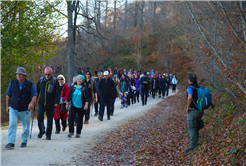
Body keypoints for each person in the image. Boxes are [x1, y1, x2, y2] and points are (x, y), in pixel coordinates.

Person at [5, 67, 38, 148]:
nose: (18, 75)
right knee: (12, 124)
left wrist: (31, 103)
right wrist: (7, 106)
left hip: (25, 109)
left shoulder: (29, 84)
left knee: (26, 126)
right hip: (13, 108)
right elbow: (8, 95)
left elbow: (34, 95)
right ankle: (11, 143)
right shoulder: (12, 83)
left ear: (24, 75)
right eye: (17, 74)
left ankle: (24, 141)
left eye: (20, 74)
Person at [186, 73, 215, 152]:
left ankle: (193, 146)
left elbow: (190, 97)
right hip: (200, 111)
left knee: (192, 128)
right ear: (196, 80)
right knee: (195, 127)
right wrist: (211, 104)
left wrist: (188, 107)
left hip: (193, 111)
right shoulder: (200, 87)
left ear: (189, 80)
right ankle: (196, 142)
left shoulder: (190, 88)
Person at [37, 67, 60, 140]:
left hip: (51, 103)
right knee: (39, 117)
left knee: (50, 119)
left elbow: (58, 93)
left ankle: (48, 134)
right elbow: (36, 91)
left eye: (48, 74)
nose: (47, 76)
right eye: (45, 74)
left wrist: (57, 102)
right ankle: (41, 130)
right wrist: (34, 99)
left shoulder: (54, 81)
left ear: (52, 74)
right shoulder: (41, 80)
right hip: (41, 103)